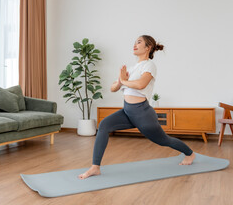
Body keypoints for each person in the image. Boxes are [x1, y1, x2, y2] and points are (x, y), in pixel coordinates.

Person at [78, 35, 195, 180]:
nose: (135, 44)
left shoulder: (149, 65)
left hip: (142, 113)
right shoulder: (132, 68)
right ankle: (95, 167)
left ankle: (190, 153)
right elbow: (112, 88)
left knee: (164, 140)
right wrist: (122, 81)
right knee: (104, 125)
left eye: (139, 42)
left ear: (148, 47)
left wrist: (124, 81)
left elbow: (141, 85)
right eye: (134, 42)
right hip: (127, 111)